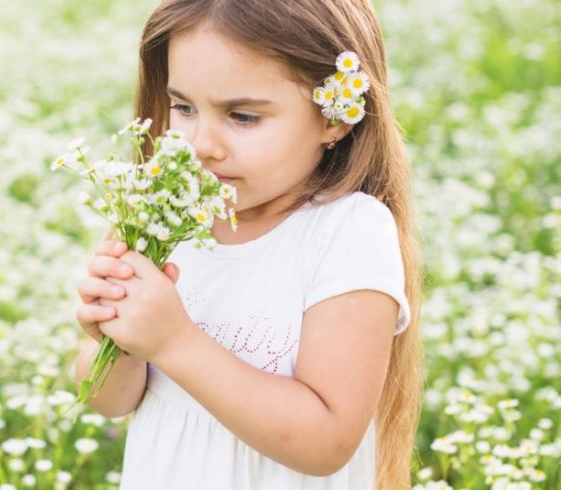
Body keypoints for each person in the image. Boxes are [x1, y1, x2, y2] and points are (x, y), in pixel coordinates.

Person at [74, 0, 423, 488]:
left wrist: (174, 342)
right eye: (184, 108)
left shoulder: (346, 232)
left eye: (242, 116)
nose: (201, 144)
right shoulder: (161, 218)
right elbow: (107, 401)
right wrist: (118, 341)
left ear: (334, 119)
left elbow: (327, 443)